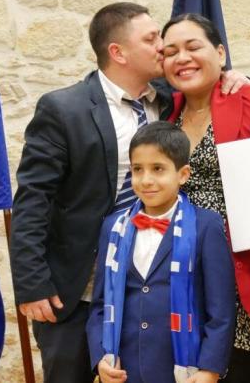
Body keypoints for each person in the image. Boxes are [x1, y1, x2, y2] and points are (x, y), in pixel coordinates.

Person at [10, 2, 249, 383]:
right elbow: (33, 199)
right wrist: (32, 283)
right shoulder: (64, 108)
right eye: (152, 39)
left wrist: (236, 78)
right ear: (118, 52)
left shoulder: (170, 101)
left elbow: (208, 85)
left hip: (152, 299)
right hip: (78, 293)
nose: (164, 48)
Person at [160, 13, 250, 382]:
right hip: (177, 279)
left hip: (241, 278)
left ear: (220, 53)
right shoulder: (163, 112)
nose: (182, 58)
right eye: (170, 51)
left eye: (193, 47)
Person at [86, 122, 236, 383]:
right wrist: (100, 357)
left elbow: (221, 310)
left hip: (183, 371)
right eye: (137, 169)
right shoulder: (114, 226)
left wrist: (210, 369)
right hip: (125, 370)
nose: (146, 180)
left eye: (158, 169)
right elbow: (99, 304)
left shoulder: (206, 225)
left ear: (183, 174)